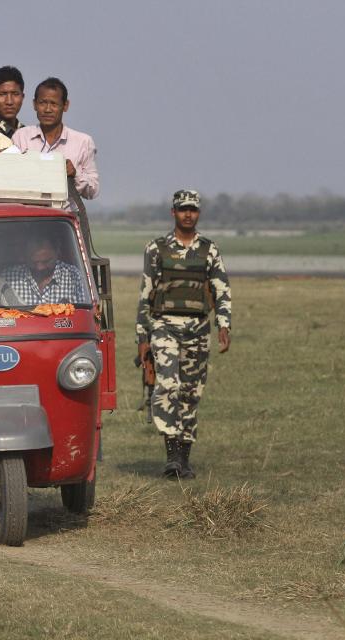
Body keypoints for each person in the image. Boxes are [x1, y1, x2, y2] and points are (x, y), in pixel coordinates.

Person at [135, 189, 231, 480]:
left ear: (198, 213)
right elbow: (146, 294)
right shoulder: (156, 248)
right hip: (164, 326)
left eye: (193, 209)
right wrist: (142, 337)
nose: (188, 214)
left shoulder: (209, 249)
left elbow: (222, 290)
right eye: (182, 209)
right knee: (167, 385)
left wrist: (224, 325)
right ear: (173, 212)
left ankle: (185, 458)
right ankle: (172, 455)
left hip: (199, 328)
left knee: (191, 392)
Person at [11, 77, 99, 210]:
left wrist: (75, 175)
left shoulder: (83, 142)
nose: (47, 109)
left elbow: (93, 191)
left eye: (54, 104)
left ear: (65, 106)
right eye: (42, 103)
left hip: (62, 222)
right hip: (27, 219)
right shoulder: (21, 137)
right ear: (34, 104)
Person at [1, 234, 89, 305]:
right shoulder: (8, 278)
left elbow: (84, 316)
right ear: (25, 256)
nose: (40, 268)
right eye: (34, 262)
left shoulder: (73, 277)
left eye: (46, 261)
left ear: (57, 252)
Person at [0, 66, 26, 139]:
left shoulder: (28, 134)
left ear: (22, 97)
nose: (9, 101)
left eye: (15, 94)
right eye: (2, 94)